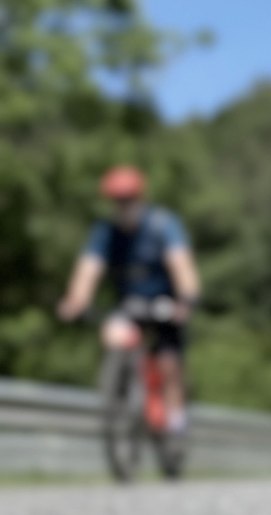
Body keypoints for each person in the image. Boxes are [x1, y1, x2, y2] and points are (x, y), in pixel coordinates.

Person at [56, 166, 202, 434]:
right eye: (118, 201)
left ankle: (176, 421)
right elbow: (88, 268)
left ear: (140, 198)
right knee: (112, 335)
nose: (123, 206)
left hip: (165, 303)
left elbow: (181, 264)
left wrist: (187, 298)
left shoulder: (162, 225)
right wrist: (75, 300)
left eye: (128, 199)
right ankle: (122, 398)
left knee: (169, 361)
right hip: (130, 306)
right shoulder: (105, 232)